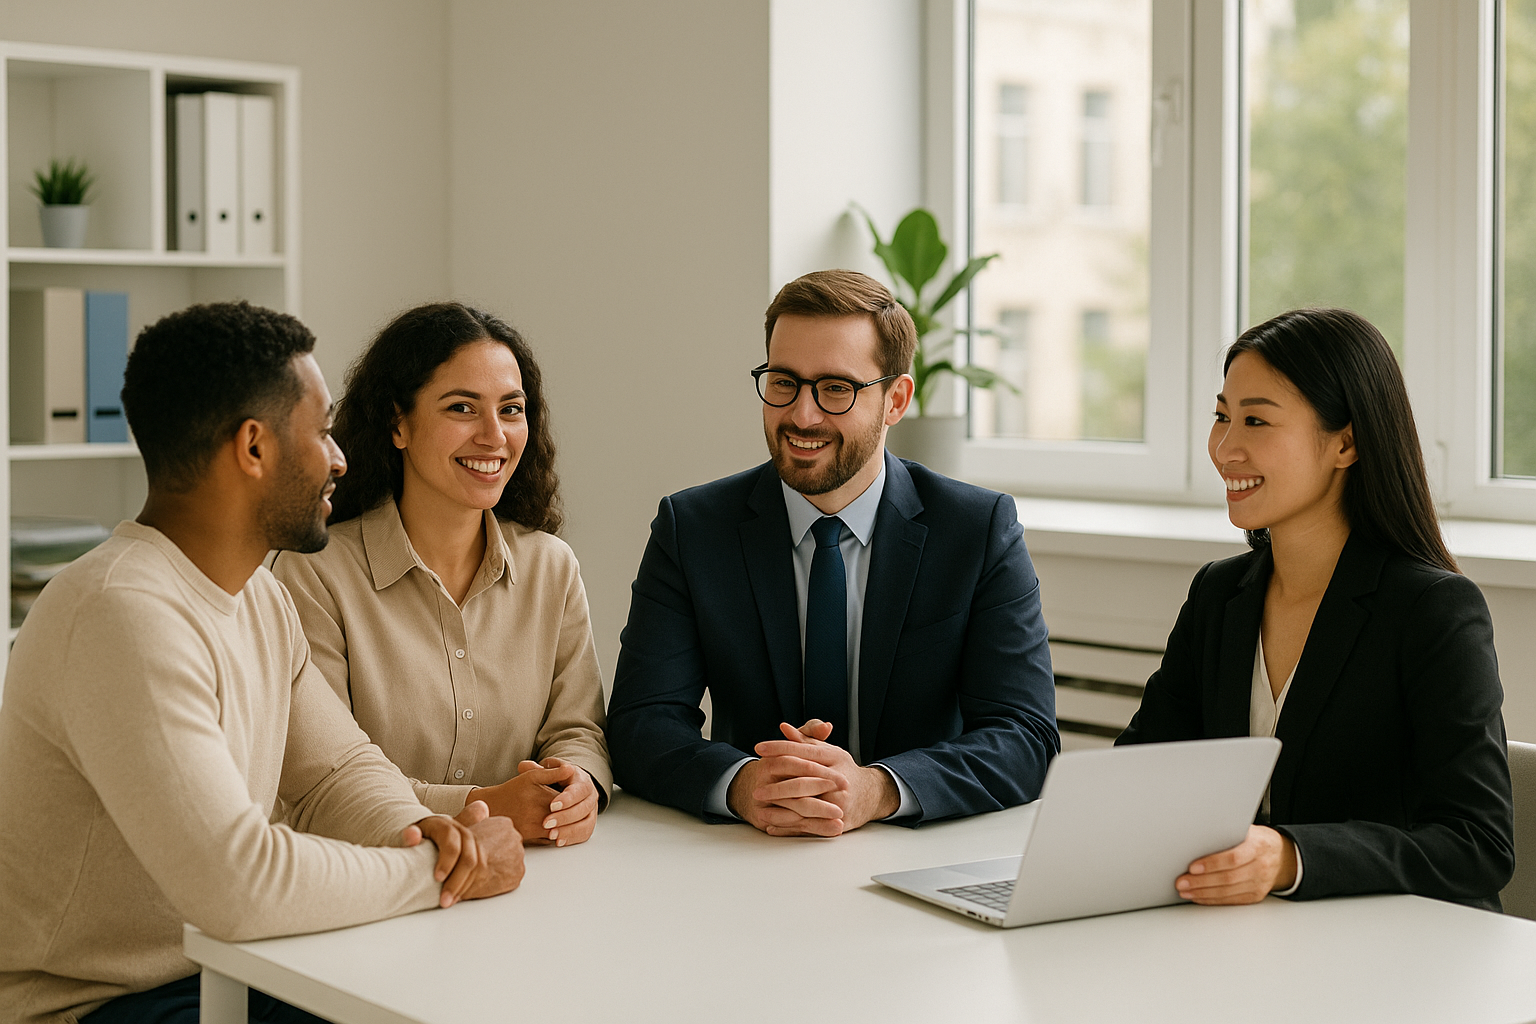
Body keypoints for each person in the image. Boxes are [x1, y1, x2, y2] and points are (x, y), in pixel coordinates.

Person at [0, 302, 524, 1024]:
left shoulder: (259, 599)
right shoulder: (119, 612)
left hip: (232, 969)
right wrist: (431, 874)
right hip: (100, 1004)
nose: (340, 456)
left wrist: (433, 837)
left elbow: (335, 775)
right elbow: (237, 881)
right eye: (321, 431)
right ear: (254, 447)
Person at [606, 269, 1058, 834]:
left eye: (836, 389)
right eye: (783, 382)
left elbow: (1025, 734)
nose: (802, 415)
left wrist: (877, 789)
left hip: (916, 854)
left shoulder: (977, 529)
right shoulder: (693, 529)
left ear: (895, 400)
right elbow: (638, 723)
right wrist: (742, 782)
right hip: (745, 858)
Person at [1118, 307, 1515, 908]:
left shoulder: (1433, 610)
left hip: (1396, 956)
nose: (1225, 448)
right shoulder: (1218, 594)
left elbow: (1478, 844)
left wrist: (1290, 858)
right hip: (1244, 940)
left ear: (1346, 443)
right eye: (1221, 417)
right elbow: (1140, 776)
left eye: (1256, 421)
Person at [272, 302, 610, 847]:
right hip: (375, 880)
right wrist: (479, 805)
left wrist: (576, 783)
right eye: (462, 408)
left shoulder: (552, 567)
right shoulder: (314, 576)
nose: (494, 436)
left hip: (534, 876)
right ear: (397, 423)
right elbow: (320, 780)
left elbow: (577, 729)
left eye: (512, 409)